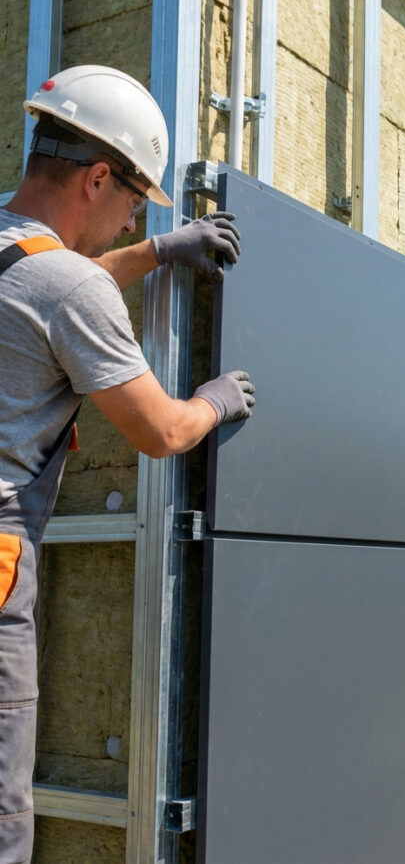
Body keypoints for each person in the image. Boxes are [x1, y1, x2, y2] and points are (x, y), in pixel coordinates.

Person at [0, 65, 255, 863]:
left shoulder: (17, 253)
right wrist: (214, 401)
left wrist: (154, 252)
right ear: (97, 178)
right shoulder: (68, 286)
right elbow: (161, 431)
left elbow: (47, 292)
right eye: (134, 203)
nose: (128, 221)